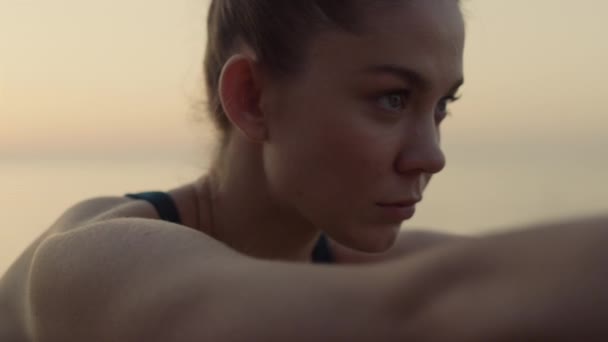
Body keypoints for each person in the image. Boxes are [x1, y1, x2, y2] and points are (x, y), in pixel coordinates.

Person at [1, 0, 607, 341]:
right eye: (393, 97)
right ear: (253, 98)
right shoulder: (88, 265)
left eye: (442, 105)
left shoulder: (365, 272)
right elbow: (427, 312)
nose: (432, 156)